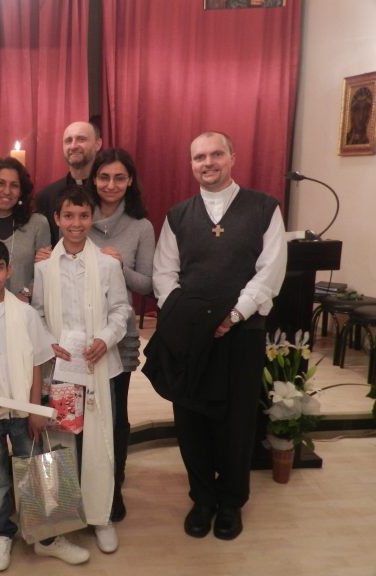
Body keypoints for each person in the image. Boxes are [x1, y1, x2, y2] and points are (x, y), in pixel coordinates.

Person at [144, 131, 286, 541]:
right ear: (191, 164)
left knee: (238, 421)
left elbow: (271, 269)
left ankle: (230, 502)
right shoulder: (177, 215)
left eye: (216, 154)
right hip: (192, 335)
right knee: (191, 417)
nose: (208, 162)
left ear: (232, 157)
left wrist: (235, 314)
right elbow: (164, 274)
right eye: (199, 157)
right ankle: (202, 498)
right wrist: (188, 320)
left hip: (243, 333)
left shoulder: (264, 208)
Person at [0, 238, 90, 570]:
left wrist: (34, 410)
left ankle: (48, 538)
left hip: (23, 412)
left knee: (40, 471)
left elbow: (36, 365)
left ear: (9, 270)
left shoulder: (25, 314)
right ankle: (2, 533)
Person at [32, 186, 133, 555]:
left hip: (98, 365)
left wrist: (106, 338)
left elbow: (121, 310)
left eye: (83, 216)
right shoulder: (43, 267)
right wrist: (48, 342)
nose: (76, 224)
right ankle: (62, 520)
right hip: (62, 370)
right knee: (61, 443)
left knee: (100, 443)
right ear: (56, 219)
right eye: (68, 216)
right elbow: (38, 313)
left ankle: (100, 516)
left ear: (93, 218)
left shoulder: (107, 265)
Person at [87, 148, 155, 521]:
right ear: (93, 180)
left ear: (130, 181)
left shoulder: (141, 226)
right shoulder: (77, 216)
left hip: (118, 333)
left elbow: (148, 284)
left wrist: (118, 265)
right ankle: (84, 480)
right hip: (78, 336)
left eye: (118, 177)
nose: (110, 185)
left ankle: (113, 484)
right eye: (104, 177)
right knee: (81, 411)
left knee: (115, 411)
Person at [0, 157, 50, 301]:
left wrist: (24, 295)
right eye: (0, 183)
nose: (7, 191)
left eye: (14, 185)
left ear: (21, 192)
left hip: (25, 311)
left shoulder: (38, 224)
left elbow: (44, 272)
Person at [35, 121, 102, 246]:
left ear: (98, 144)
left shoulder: (109, 192)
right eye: (68, 141)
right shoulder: (46, 197)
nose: (73, 146)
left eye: (81, 139)